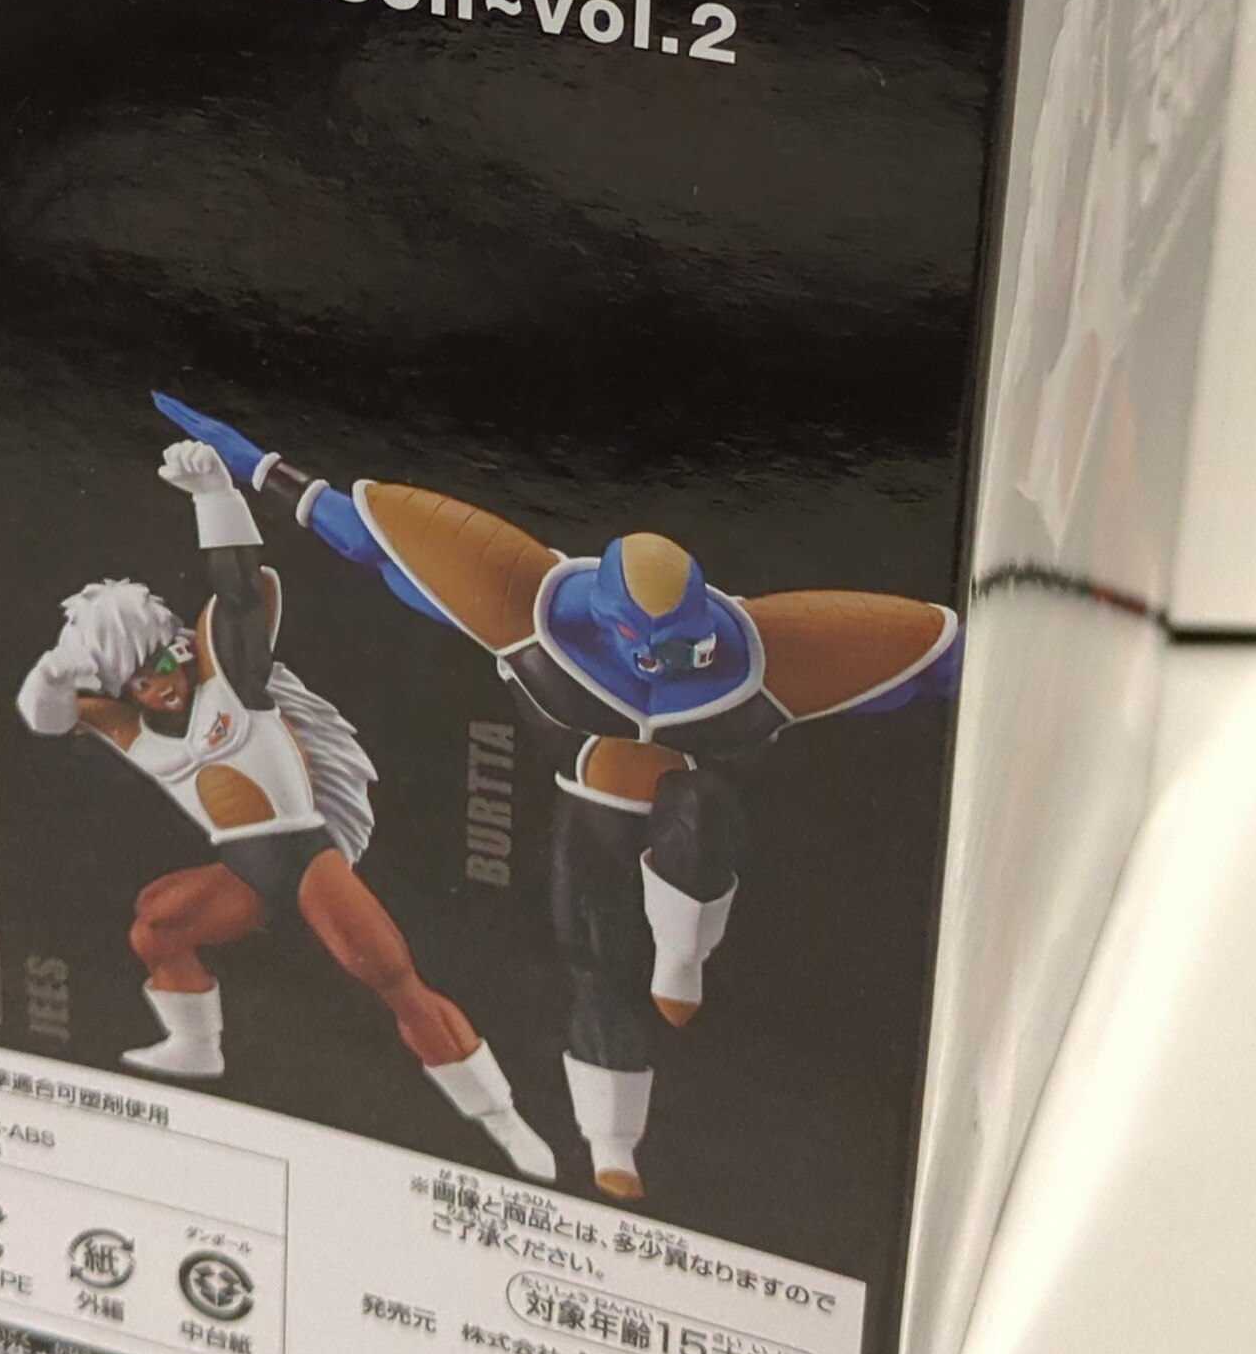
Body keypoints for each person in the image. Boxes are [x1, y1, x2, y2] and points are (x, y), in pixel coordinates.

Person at [156, 392, 960, 1202]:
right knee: (597, 975)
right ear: (608, 620)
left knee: (697, 800)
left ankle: (681, 955)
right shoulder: (525, 603)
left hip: (692, 827)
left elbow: (935, 660)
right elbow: (366, 537)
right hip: (589, 823)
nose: (664, 662)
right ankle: (611, 1143)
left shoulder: (767, 651)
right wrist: (251, 466)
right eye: (646, 645)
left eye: (684, 645)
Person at [17, 435, 554, 1181]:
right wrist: (53, 674)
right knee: (156, 924)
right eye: (138, 681)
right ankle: (197, 1046)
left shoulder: (228, 676)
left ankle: (503, 1121)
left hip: (305, 857)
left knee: (391, 978)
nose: (160, 686)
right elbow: (44, 720)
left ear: (179, 647)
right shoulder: (126, 725)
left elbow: (239, 589)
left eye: (164, 663)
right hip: (242, 868)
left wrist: (215, 496)